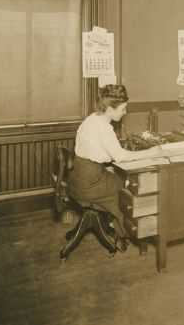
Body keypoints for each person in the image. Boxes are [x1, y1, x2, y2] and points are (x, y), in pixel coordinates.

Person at [68, 84, 161, 253]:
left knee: (115, 179)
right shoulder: (104, 128)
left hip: (77, 177)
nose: (125, 112)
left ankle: (113, 224)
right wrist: (151, 152)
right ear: (111, 108)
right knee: (125, 189)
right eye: (123, 108)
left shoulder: (92, 118)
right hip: (90, 183)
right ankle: (122, 231)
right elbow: (122, 157)